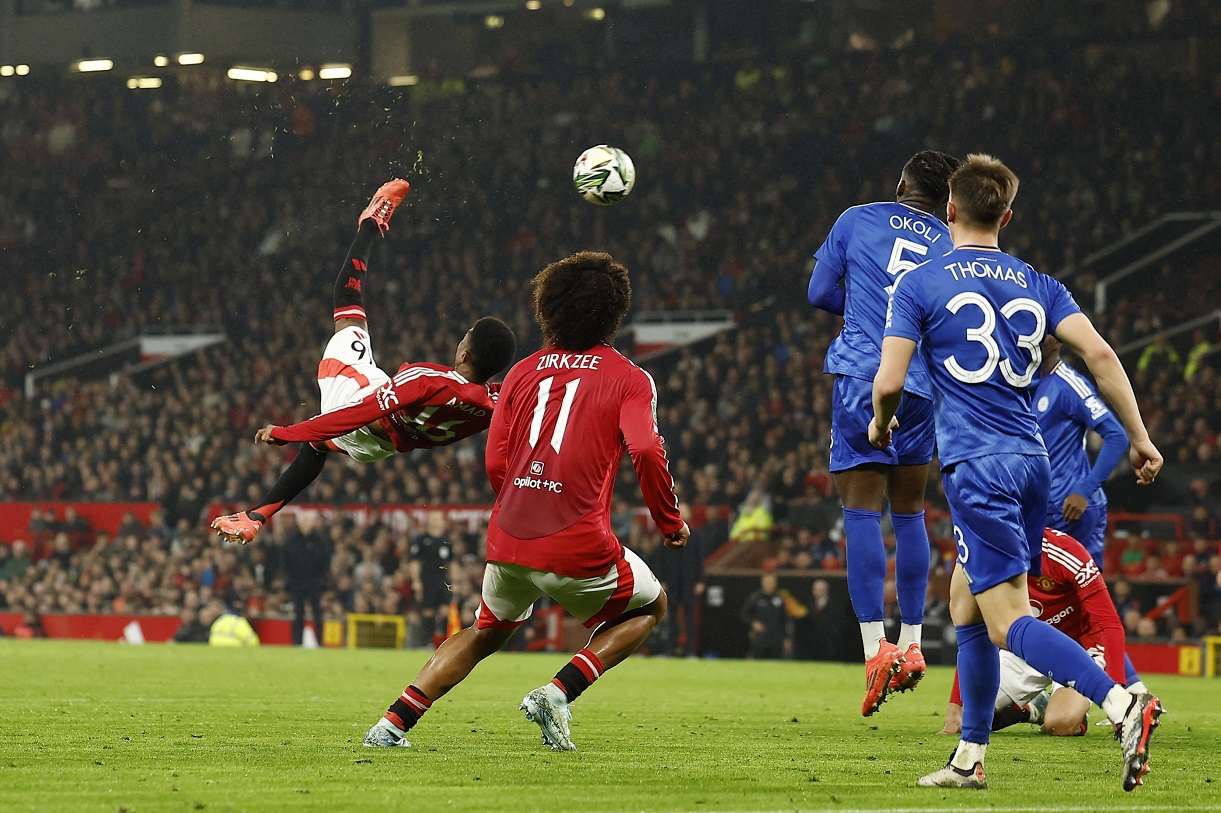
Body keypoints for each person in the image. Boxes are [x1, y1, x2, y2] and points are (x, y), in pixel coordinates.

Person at [870, 154, 1164, 791]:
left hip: (979, 467)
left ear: (949, 209)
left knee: (1006, 620)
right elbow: (1101, 354)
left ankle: (1122, 705)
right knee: (966, 604)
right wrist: (1140, 437)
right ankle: (969, 760)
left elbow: (889, 381)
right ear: (1007, 216)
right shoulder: (1040, 283)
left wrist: (879, 423)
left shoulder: (919, 283)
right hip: (1033, 466)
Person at [363, 250, 689, 750]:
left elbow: (496, 461)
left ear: (549, 307)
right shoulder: (629, 378)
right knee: (651, 606)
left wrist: (524, 503)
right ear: (614, 312)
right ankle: (557, 694)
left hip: (509, 533)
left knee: (485, 630)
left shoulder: (520, 372)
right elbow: (645, 449)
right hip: (577, 541)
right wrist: (669, 522)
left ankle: (390, 726)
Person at [210, 180, 517, 545]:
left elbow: (358, 413)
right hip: (380, 449)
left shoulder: (428, 380)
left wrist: (289, 432)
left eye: (465, 336)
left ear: (464, 354)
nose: (460, 338)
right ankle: (256, 516)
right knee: (320, 447)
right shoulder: (494, 402)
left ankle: (371, 223)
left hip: (357, 407)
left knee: (347, 304)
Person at [807, 150, 961, 715]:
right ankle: (914, 642)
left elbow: (818, 292)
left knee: (861, 510)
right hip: (921, 383)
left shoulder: (857, 219)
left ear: (901, 184)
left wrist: (865, 305)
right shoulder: (953, 243)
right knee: (912, 512)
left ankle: (877, 651)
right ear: (947, 201)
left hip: (863, 373)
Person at [938, 528, 1145, 737]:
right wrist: (955, 707)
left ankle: (1067, 710)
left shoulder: (1065, 552)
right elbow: (973, 632)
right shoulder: (988, 553)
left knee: (1060, 725)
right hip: (1024, 648)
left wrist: (1119, 700)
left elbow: (1109, 622)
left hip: (1080, 647)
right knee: (971, 717)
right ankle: (1035, 708)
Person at [1035, 334, 1145, 691]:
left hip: (1074, 513)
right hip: (1042, 513)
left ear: (1057, 341)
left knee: (1087, 606)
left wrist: (1085, 489)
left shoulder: (1068, 384)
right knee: (1050, 604)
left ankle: (1127, 689)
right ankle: (1119, 689)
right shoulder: (1023, 381)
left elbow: (1116, 436)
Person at [280, 510, 333, 646]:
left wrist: (320, 578)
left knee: (317, 612)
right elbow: (285, 560)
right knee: (298, 612)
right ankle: (297, 641)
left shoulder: (320, 541)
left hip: (314, 581)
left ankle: (319, 641)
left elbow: (326, 561)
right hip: (296, 581)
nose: (307, 524)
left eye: (309, 521)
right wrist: (290, 578)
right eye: (304, 521)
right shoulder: (291, 540)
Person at [739, 572, 788, 659]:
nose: (769, 584)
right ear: (762, 582)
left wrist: (786, 638)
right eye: (767, 582)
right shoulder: (754, 598)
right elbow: (744, 615)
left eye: (771, 582)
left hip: (776, 640)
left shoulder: (779, 598)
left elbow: (784, 619)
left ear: (775, 583)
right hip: (759, 639)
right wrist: (753, 623)